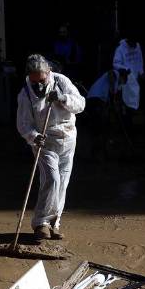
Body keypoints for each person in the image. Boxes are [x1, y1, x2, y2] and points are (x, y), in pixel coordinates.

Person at [16, 53, 86, 242]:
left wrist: (63, 98)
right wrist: (33, 136)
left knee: (62, 183)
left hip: (68, 138)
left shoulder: (61, 82)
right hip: (44, 141)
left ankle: (54, 223)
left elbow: (80, 104)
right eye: (35, 82)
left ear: (49, 72)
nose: (39, 86)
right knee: (52, 179)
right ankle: (41, 223)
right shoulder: (25, 93)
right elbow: (23, 123)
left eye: (42, 80)